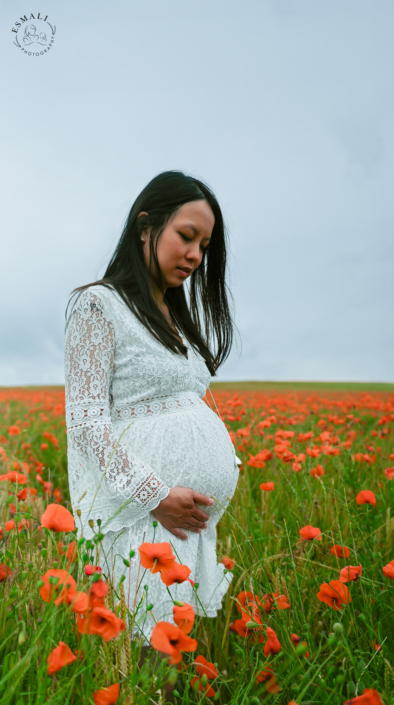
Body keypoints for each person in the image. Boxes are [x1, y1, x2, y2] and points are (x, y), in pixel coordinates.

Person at [63, 170, 240, 652]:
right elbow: (85, 426)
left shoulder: (173, 317)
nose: (195, 256)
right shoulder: (97, 306)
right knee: (142, 663)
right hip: (141, 516)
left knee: (170, 663)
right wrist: (155, 494)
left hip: (182, 522)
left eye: (204, 245)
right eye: (186, 236)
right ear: (146, 226)